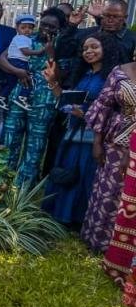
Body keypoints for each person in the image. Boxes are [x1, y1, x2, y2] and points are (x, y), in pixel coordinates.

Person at [41, 34, 116, 231]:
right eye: (85, 49)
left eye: (94, 47)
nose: (88, 52)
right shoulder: (84, 74)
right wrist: (53, 83)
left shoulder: (112, 78)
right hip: (74, 133)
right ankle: (61, 215)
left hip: (95, 137)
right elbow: (68, 102)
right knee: (69, 172)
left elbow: (111, 109)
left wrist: (85, 114)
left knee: (86, 175)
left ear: (106, 49)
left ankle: (80, 218)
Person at [0, 10, 60, 187]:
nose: (47, 28)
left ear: (59, 29)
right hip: (20, 95)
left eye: (52, 26)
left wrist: (51, 53)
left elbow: (58, 75)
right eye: (44, 24)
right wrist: (16, 70)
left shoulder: (62, 44)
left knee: (35, 144)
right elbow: (1, 59)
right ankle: (2, 182)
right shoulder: (26, 38)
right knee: (10, 138)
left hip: (43, 100)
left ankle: (23, 189)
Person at [82, 60, 136, 252]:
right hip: (115, 140)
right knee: (107, 190)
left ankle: (122, 248)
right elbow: (103, 104)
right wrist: (97, 142)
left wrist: (132, 150)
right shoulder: (120, 71)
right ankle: (98, 240)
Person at [0, 14, 41, 111]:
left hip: (16, 62)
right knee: (29, 79)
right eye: (23, 27)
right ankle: (22, 97)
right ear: (17, 28)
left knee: (11, 83)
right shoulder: (21, 38)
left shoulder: (26, 38)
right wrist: (40, 51)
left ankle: (1, 97)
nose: (27, 30)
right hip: (18, 62)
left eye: (30, 28)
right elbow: (25, 52)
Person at [79, 0, 136, 65]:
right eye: (107, 15)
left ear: (125, 17)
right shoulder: (90, 33)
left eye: (115, 17)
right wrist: (72, 24)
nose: (110, 20)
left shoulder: (132, 39)